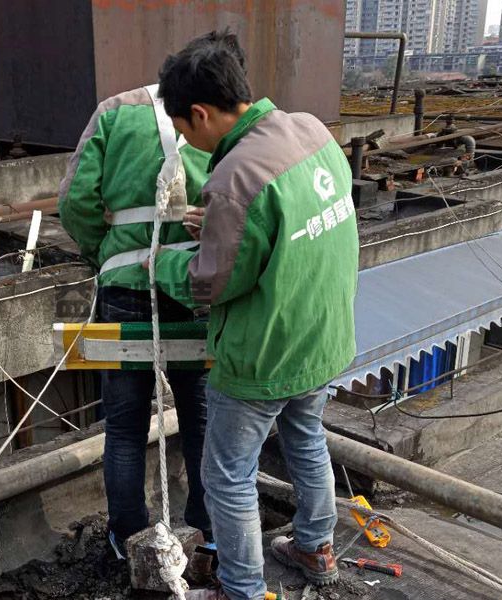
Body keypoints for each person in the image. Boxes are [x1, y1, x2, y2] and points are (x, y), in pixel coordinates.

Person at [152, 31, 359, 600]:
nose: (184, 140)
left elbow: (212, 282)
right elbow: (283, 228)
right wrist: (219, 224)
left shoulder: (236, 178)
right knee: (306, 438)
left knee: (228, 475)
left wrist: (162, 264)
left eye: (182, 129)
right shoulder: (313, 132)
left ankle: (241, 589)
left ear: (199, 113)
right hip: (322, 339)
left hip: (265, 355)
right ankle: (317, 548)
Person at [58, 31, 247, 559]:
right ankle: (207, 529)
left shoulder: (115, 112)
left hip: (124, 285)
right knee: (201, 417)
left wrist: (109, 253)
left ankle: (130, 536)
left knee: (124, 425)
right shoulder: (225, 123)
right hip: (192, 280)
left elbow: (74, 201)